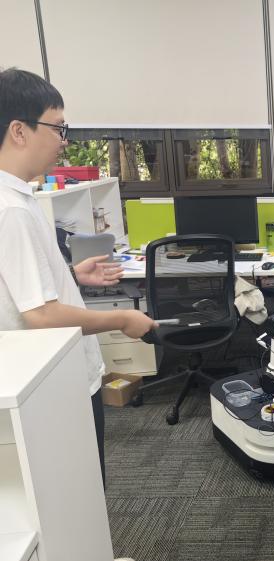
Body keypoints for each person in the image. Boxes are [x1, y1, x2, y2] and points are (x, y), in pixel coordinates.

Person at [0, 68, 157, 490]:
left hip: (45, 372)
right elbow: (40, 316)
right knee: (76, 489)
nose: (64, 140)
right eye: (58, 127)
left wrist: (71, 274)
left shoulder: (19, 198)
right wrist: (122, 319)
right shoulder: (11, 210)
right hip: (48, 377)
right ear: (19, 130)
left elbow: (18, 288)